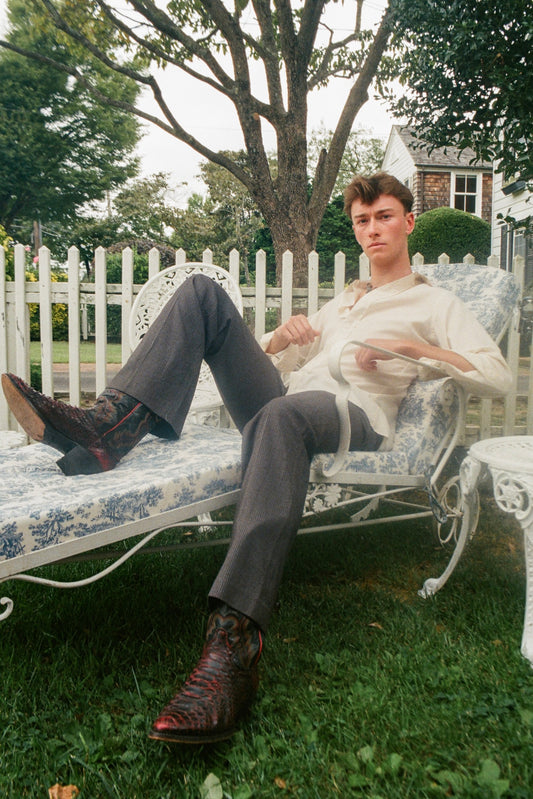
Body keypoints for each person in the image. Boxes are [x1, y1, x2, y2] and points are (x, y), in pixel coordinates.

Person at [1, 173, 511, 745]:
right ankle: (110, 427)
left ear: (409, 221)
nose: (373, 229)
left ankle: (234, 643)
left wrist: (418, 350)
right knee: (200, 292)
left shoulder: (434, 301)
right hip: (293, 400)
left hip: (357, 413)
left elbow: (496, 373)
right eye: (363, 221)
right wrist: (281, 337)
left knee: (279, 418)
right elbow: (288, 356)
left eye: (385, 216)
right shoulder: (345, 299)